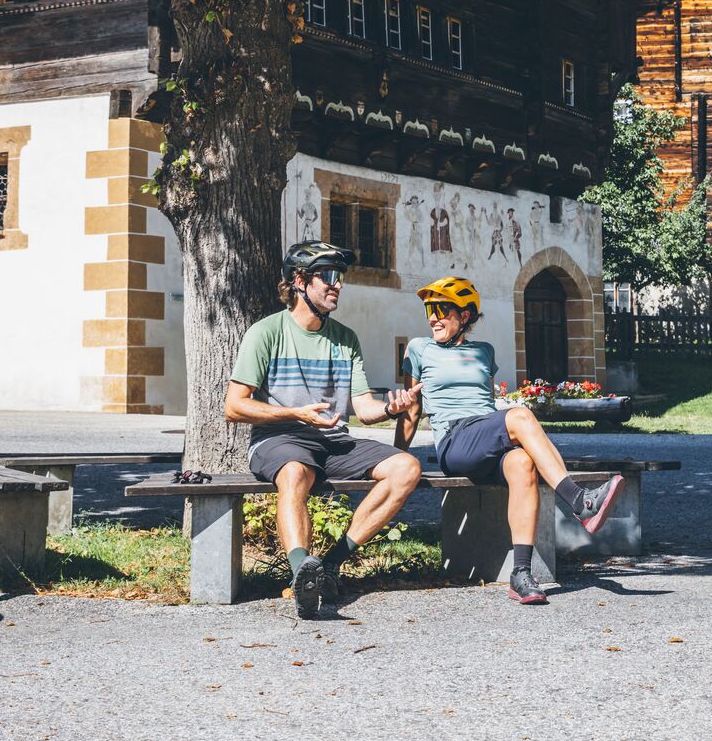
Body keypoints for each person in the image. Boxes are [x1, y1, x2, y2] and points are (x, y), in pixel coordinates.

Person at [397, 275, 623, 604]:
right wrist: (394, 458)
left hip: (484, 438)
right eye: (430, 309)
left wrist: (501, 431)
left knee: (522, 463)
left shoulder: (484, 353)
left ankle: (520, 574)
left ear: (465, 317)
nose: (433, 317)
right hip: (454, 441)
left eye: (442, 309)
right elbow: (412, 411)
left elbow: (485, 405)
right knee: (518, 415)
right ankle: (580, 502)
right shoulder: (419, 349)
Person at [225, 241, 421, 619]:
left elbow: (362, 409)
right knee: (296, 472)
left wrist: (391, 408)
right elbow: (234, 406)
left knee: (406, 468)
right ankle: (301, 568)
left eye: (340, 277)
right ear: (299, 281)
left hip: (333, 440)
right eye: (328, 276)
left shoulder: (345, 339)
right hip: (279, 438)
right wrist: (296, 413)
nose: (338, 285)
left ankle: (327, 566)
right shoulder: (265, 332)